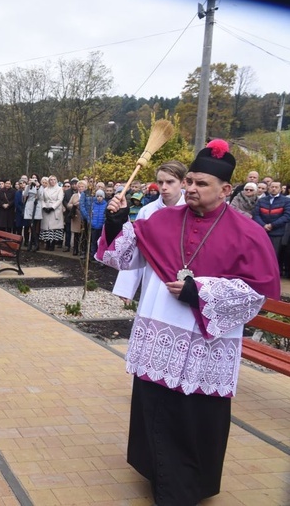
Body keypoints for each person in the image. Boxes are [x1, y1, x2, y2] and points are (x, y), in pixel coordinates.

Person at [97, 139, 279, 506]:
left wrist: (201, 292)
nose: (192, 189)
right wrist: (116, 222)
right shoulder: (160, 219)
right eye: (190, 182)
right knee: (156, 408)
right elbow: (126, 255)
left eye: (201, 184)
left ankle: (189, 485)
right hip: (159, 332)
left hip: (205, 345)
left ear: (226, 190)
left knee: (194, 417)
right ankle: (156, 473)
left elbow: (256, 292)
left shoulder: (249, 233)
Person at [113, 160, 188, 306]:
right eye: (160, 182)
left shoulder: (192, 210)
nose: (164, 187)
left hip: (182, 279)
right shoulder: (147, 211)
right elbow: (136, 250)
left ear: (183, 182)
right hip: (153, 274)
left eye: (170, 182)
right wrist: (126, 287)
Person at [253, 180, 290, 270]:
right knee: (260, 254)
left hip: (277, 232)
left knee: (274, 255)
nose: (273, 189)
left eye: (276, 187)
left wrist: (272, 225)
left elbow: (287, 215)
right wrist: (263, 225)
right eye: (272, 187)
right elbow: (256, 214)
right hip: (262, 231)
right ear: (268, 188)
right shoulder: (262, 200)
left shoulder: (286, 201)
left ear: (281, 189)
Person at [40, 175, 64, 250]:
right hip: (46, 208)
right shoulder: (45, 189)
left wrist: (52, 207)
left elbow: (60, 200)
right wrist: (44, 207)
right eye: (51, 180)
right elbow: (42, 199)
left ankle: (53, 244)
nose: (52, 181)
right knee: (46, 228)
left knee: (54, 228)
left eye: (54, 180)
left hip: (55, 209)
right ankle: (47, 243)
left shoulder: (59, 189)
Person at [66, 180, 86, 255]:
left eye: (82, 187)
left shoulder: (87, 196)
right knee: (76, 235)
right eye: (79, 187)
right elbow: (68, 205)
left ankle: (82, 250)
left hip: (84, 217)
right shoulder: (74, 196)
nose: (80, 188)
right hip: (76, 217)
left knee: (83, 234)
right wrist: (74, 205)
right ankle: (75, 249)